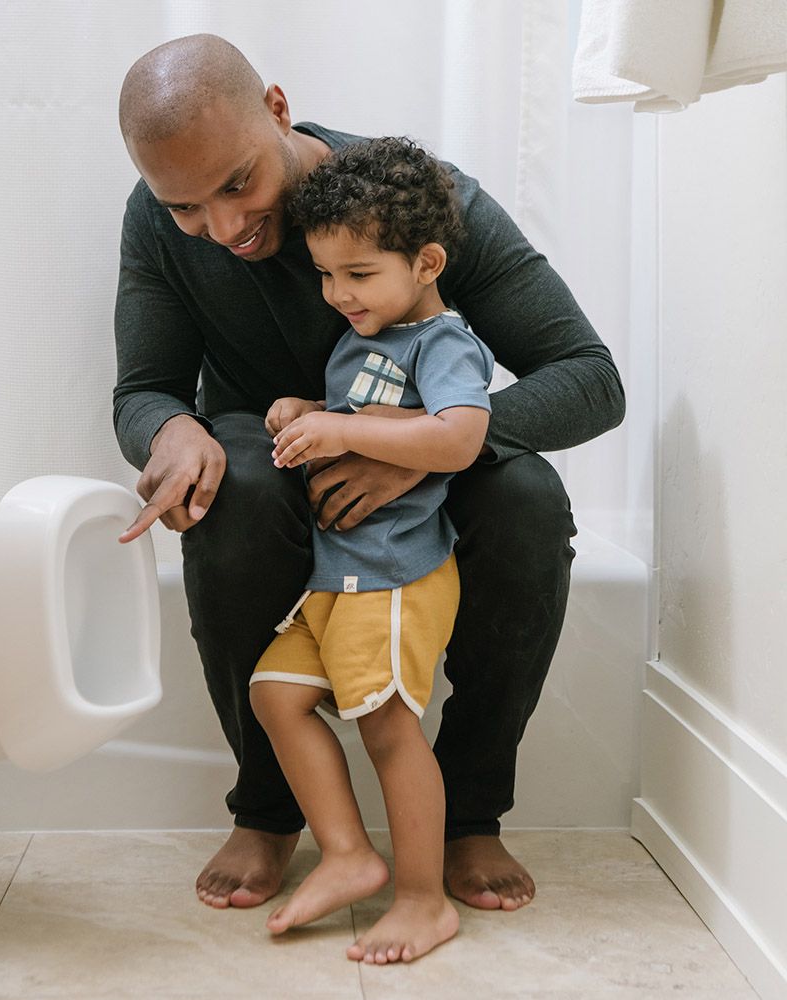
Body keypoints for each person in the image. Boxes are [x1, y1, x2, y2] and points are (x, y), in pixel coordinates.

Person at [113, 34, 624, 915]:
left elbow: (589, 377)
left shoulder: (421, 203)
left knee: (529, 500)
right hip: (269, 470)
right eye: (189, 209)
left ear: (276, 108)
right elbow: (145, 389)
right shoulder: (156, 221)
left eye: (238, 185)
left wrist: (408, 444)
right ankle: (269, 811)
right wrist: (169, 429)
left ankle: (469, 816)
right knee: (229, 492)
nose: (224, 229)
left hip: (425, 471)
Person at [249, 135, 493, 964]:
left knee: (390, 729)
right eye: (325, 274)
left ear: (425, 262)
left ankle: (424, 900)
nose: (337, 294)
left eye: (358, 275)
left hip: (394, 572)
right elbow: (375, 415)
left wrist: (341, 427)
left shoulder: (442, 342)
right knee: (278, 695)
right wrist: (306, 408)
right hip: (338, 572)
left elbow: (459, 435)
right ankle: (349, 853)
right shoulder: (371, 336)